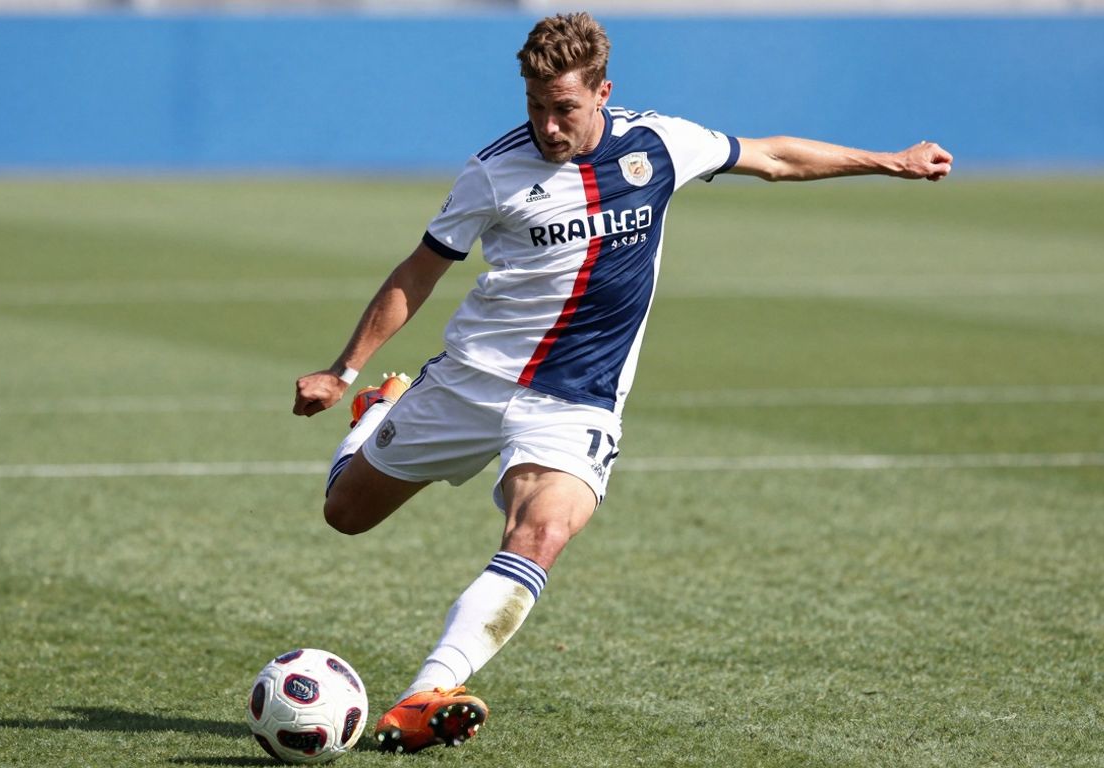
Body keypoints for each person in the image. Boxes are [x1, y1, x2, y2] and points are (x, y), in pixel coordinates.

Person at [293, 11, 952, 754]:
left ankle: (425, 693)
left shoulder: (660, 144)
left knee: (542, 530)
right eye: (536, 107)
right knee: (346, 514)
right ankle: (378, 413)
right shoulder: (492, 171)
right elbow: (419, 271)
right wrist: (343, 370)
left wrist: (891, 161)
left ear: (603, 92)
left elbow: (772, 157)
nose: (547, 125)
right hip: (473, 379)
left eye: (564, 107)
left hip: (577, 396)